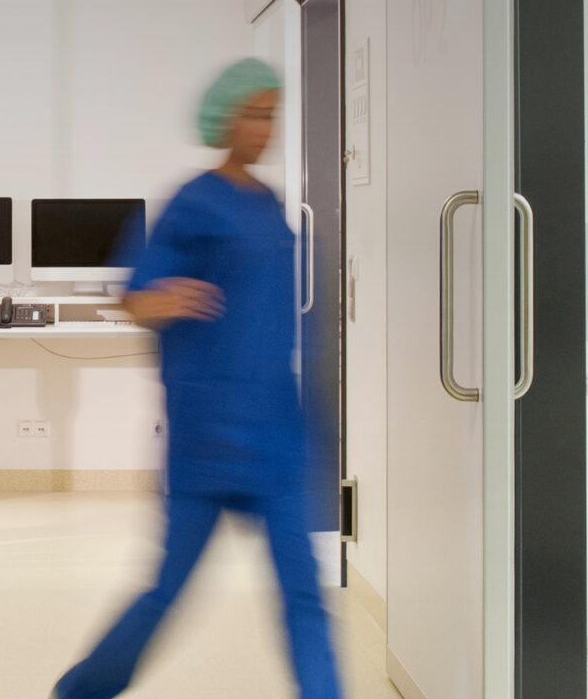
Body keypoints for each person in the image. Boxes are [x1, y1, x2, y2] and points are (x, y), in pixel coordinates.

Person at [51, 58, 342, 699]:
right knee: (167, 592)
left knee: (304, 596)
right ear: (224, 118)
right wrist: (164, 298)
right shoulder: (193, 201)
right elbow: (134, 296)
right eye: (256, 114)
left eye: (273, 114)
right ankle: (78, 692)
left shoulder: (269, 206)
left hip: (275, 434)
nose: (266, 127)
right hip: (208, 436)